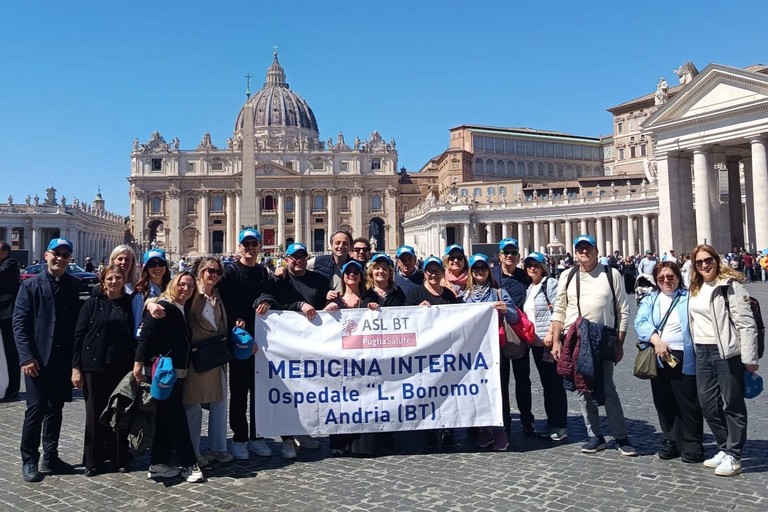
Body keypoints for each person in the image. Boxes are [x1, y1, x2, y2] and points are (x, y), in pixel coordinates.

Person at [548, 234, 636, 456]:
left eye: (588, 248)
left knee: (608, 388)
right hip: (576, 337)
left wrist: (620, 342)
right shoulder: (567, 276)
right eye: (580, 248)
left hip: (603, 337)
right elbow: (559, 310)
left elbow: (623, 310)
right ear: (575, 253)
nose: (584, 252)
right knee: (582, 389)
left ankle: (621, 436)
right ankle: (594, 435)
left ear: (596, 251)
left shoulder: (611, 274)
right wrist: (556, 340)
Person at [688, 244, 759, 477]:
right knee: (707, 403)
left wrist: (750, 359)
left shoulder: (730, 286)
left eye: (708, 260)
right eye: (699, 262)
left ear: (716, 260)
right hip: (702, 351)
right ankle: (724, 446)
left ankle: (735, 456)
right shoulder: (695, 288)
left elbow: (746, 324)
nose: (704, 265)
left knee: (732, 404)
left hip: (726, 353)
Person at [13, 238, 80, 482]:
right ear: (46, 254)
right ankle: (29, 459)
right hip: (37, 360)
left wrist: (76, 361)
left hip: (62, 360)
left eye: (65, 254)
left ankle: (51, 456)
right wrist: (26, 357)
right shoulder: (31, 286)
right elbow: (19, 324)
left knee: (56, 409)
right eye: (57, 253)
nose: (61, 258)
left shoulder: (73, 284)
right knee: (36, 409)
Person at [132, 272, 204, 483]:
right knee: (177, 418)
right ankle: (190, 464)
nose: (186, 289)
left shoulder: (182, 308)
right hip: (165, 374)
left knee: (165, 418)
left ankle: (158, 464)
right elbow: (145, 336)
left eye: (190, 286)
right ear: (173, 285)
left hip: (177, 373)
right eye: (182, 285)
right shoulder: (163, 307)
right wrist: (138, 366)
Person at [634, 261, 703, 463]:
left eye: (670, 277)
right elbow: (640, 322)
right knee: (663, 400)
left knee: (688, 401)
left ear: (678, 277)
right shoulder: (651, 298)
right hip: (659, 355)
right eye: (661, 278)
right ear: (656, 280)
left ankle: (692, 444)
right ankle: (670, 440)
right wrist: (657, 341)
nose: (666, 281)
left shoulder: (690, 296)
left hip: (685, 355)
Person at [72, 264, 136, 476]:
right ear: (103, 281)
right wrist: (76, 368)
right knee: (94, 413)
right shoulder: (91, 303)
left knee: (119, 412)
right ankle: (93, 461)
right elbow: (79, 336)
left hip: (120, 366)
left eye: (118, 278)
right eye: (109, 278)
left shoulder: (129, 303)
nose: (114, 282)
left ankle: (119, 457)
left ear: (123, 280)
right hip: (94, 365)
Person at [218, 228, 274, 460]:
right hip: (240, 340)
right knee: (239, 390)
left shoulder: (263, 272)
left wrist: (267, 300)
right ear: (239, 246)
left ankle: (258, 435)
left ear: (260, 246)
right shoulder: (230, 273)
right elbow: (222, 302)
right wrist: (234, 320)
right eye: (246, 244)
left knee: (259, 392)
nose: (249, 248)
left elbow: (272, 295)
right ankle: (239, 437)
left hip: (262, 341)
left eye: (254, 244)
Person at [270, 242, 330, 459]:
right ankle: (286, 439)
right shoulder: (279, 280)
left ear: (307, 258)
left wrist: (331, 305)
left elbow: (325, 304)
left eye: (302, 256)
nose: (298, 260)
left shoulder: (319, 280)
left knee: (308, 391)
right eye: (294, 257)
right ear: (286, 258)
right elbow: (274, 304)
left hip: (313, 346)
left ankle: (303, 432)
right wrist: (298, 306)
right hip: (286, 346)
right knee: (287, 392)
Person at [404, 256, 460, 449]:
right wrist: (416, 311)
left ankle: (448, 428)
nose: (433, 274)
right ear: (424, 273)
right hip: (423, 352)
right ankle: (428, 428)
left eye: (437, 271)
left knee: (446, 390)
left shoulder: (449, 296)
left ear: (442, 273)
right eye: (430, 271)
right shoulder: (414, 294)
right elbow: (403, 319)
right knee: (426, 390)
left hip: (446, 352)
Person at [463, 253, 517, 451]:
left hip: (496, 351)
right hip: (476, 354)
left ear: (489, 271)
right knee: (479, 390)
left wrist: (505, 310)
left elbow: (514, 318)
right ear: (471, 272)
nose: (479, 272)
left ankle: (499, 430)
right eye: (475, 269)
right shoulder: (466, 295)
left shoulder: (499, 292)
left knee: (498, 391)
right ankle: (485, 429)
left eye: (483, 268)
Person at [184, 257, 234, 468]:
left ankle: (218, 447)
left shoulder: (219, 295)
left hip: (217, 355)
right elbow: (168, 300)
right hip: (197, 355)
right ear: (201, 273)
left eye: (217, 272)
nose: (213, 275)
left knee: (220, 402)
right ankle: (193, 450)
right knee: (193, 405)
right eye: (209, 271)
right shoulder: (191, 294)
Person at [522, 252, 568, 441]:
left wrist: (552, 334)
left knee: (554, 384)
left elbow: (558, 309)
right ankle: (552, 422)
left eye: (536, 265)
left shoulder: (550, 283)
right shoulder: (530, 287)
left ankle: (560, 425)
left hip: (548, 342)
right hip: (536, 343)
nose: (532, 268)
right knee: (546, 383)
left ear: (543, 267)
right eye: (529, 265)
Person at [491, 238, 534, 437]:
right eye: (505, 252)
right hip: (496, 336)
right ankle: (504, 421)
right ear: (499, 256)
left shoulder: (525, 277)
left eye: (513, 252)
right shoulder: (491, 276)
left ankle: (527, 420)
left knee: (523, 380)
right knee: (501, 381)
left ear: (518, 256)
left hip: (519, 336)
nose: (509, 255)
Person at [323, 259, 367, 456]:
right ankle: (339, 441)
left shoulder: (368, 299)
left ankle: (360, 441)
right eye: (348, 272)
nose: (351, 274)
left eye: (355, 272)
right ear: (343, 276)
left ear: (361, 276)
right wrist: (325, 312)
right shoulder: (334, 301)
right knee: (339, 399)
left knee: (364, 399)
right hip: (340, 360)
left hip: (364, 361)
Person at [132, 249, 172, 335]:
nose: (157, 267)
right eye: (152, 264)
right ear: (146, 268)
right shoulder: (141, 294)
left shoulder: (173, 289)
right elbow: (137, 330)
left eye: (161, 264)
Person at [0, 241, 21, 399]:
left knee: (11, 350)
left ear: (5, 252)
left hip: (8, 314)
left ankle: (13, 386)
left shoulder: (11, 263)